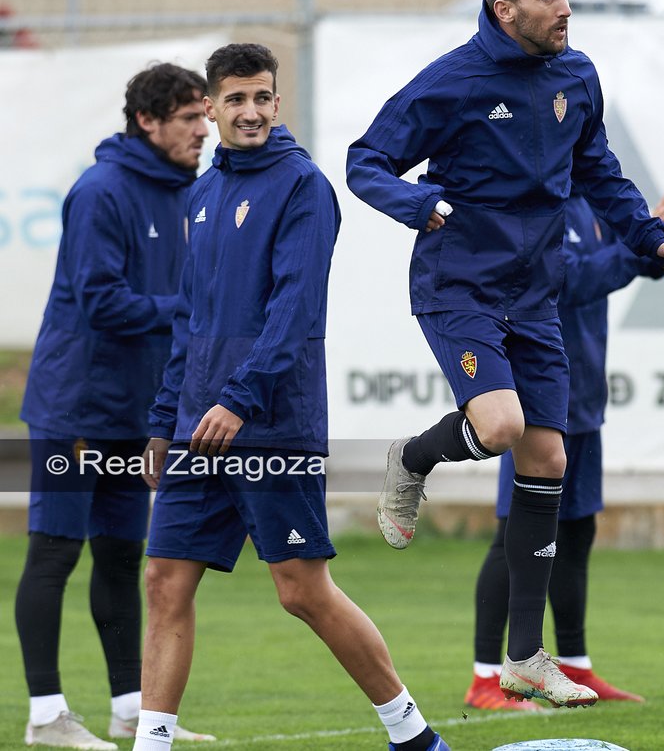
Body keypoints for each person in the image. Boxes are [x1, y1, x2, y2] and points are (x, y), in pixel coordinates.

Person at [346, 0, 664, 708]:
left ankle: (522, 659)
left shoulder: (576, 78)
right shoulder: (454, 81)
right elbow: (365, 160)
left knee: (549, 456)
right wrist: (421, 205)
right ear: (505, 9)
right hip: (459, 287)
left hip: (535, 294)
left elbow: (599, 172)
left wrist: (652, 238)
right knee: (506, 427)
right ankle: (412, 458)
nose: (565, 6)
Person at [132, 44, 448, 751]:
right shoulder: (202, 195)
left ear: (278, 104)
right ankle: (150, 746)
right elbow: (190, 318)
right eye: (235, 99)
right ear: (210, 108)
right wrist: (163, 420)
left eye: (262, 97)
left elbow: (295, 310)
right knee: (163, 580)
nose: (250, 111)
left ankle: (415, 737)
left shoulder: (303, 186)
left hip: (272, 425)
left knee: (301, 591)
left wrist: (241, 400)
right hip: (195, 428)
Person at [16, 62, 215, 749]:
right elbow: (101, 302)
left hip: (136, 413)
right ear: (147, 122)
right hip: (75, 408)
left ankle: (131, 709)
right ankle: (45, 718)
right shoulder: (100, 191)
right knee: (54, 553)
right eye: (189, 118)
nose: (203, 129)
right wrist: (191, 312)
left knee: (123, 558)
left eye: (203, 115)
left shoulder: (192, 193)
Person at [464, 179, 664, 712]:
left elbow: (641, 264)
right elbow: (572, 279)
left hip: (582, 401)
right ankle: (486, 679)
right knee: (514, 538)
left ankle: (576, 666)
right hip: (537, 403)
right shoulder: (538, 208)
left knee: (577, 533)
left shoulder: (590, 204)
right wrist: (641, 240)